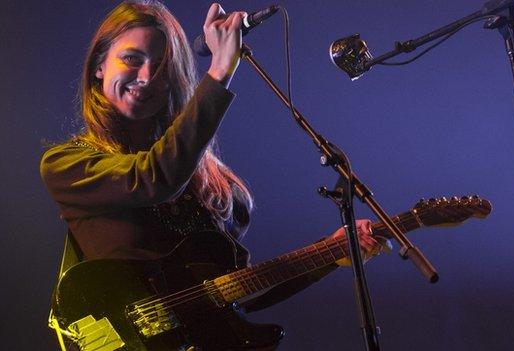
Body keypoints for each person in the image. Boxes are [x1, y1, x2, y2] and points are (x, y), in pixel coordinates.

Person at [40, 1, 385, 349]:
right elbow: (153, 178)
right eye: (132, 59)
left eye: (161, 67)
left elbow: (240, 295)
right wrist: (220, 70)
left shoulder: (213, 183)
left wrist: (330, 252)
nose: (146, 77)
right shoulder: (67, 164)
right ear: (99, 66)